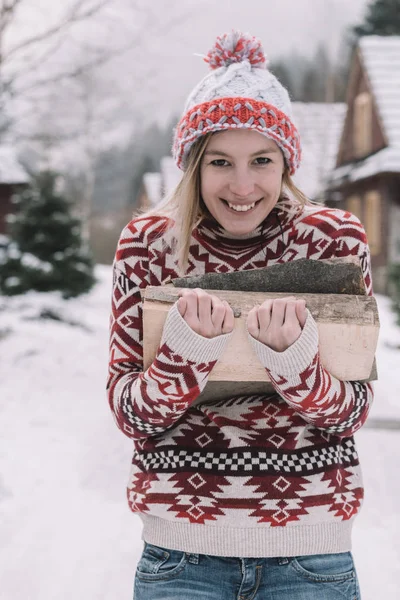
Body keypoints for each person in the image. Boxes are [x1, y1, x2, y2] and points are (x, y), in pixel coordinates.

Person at [107, 31, 373, 600]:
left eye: (262, 160)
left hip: (311, 553)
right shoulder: (148, 246)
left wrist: (294, 363)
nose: (243, 184)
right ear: (193, 166)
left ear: (287, 162)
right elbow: (130, 412)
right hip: (182, 557)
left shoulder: (331, 239)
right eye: (221, 161)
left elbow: (351, 411)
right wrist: (186, 356)